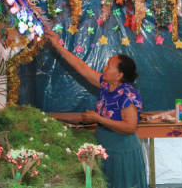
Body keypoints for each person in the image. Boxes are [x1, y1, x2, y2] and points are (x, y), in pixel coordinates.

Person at [45, 29, 148, 188]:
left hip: (121, 151)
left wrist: (98, 119)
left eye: (109, 66)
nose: (104, 68)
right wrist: (58, 46)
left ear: (120, 75)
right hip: (103, 145)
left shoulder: (127, 95)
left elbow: (129, 127)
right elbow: (82, 68)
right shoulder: (107, 85)